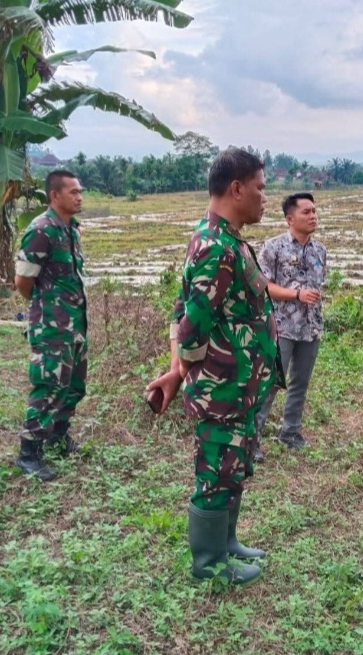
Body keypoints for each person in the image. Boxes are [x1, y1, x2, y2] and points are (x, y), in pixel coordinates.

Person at [145, 148, 278, 586]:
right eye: (259, 187)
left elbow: (187, 311)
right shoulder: (216, 247)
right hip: (222, 390)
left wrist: (174, 371)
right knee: (216, 473)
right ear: (236, 188)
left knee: (233, 469)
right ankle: (208, 563)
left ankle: (227, 542)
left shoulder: (226, 239)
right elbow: (190, 326)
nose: (264, 197)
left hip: (239, 386)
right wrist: (177, 372)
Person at [13, 170, 88, 482]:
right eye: (73, 192)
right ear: (55, 195)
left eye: (80, 191)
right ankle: (29, 453)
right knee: (49, 386)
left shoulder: (70, 230)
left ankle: (59, 437)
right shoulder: (41, 230)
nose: (79, 196)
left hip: (75, 323)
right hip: (51, 326)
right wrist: (47, 309)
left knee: (73, 385)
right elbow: (23, 281)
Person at [253, 192, 326, 460]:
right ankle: (252, 442)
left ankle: (290, 432)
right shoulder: (273, 248)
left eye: (314, 211)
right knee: (270, 383)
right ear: (290, 218)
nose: (313, 216)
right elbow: (263, 287)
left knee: (300, 382)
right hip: (280, 327)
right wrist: (296, 295)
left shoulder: (320, 251)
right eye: (306, 212)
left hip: (310, 328)